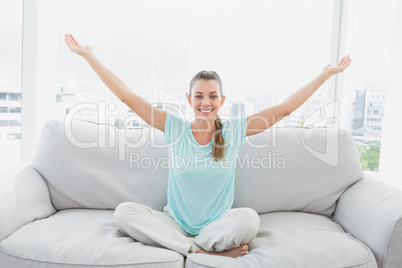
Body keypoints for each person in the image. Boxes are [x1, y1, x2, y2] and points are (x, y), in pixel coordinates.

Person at [64, 33, 351, 258]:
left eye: (212, 96)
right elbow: (127, 97)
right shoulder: (174, 127)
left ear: (222, 101)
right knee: (124, 213)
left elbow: (285, 109)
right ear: (189, 100)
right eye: (199, 96)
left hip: (218, 226)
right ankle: (199, 251)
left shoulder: (235, 130)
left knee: (249, 220)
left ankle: (187, 247)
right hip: (174, 224)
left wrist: (325, 74)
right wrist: (89, 56)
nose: (205, 103)